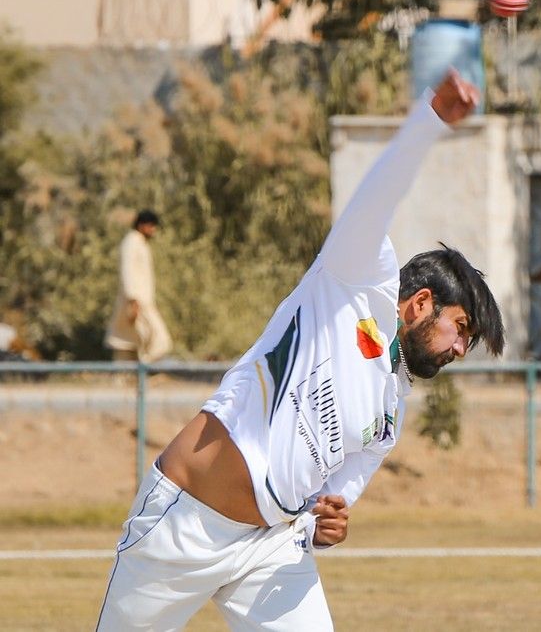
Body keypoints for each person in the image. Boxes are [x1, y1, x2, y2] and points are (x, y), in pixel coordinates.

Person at [96, 70, 505, 631]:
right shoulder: (356, 279)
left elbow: (328, 505)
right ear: (420, 303)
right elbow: (377, 197)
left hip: (272, 547)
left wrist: (327, 526)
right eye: (460, 328)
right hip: (184, 523)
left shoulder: (392, 410)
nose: (460, 348)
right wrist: (428, 121)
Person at [104, 209, 173, 362]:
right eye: (151, 226)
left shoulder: (140, 243)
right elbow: (127, 271)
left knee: (131, 344)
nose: (153, 230)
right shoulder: (131, 242)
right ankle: (144, 366)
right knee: (160, 341)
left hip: (143, 302)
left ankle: (139, 371)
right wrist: (133, 300)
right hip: (137, 303)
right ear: (141, 225)